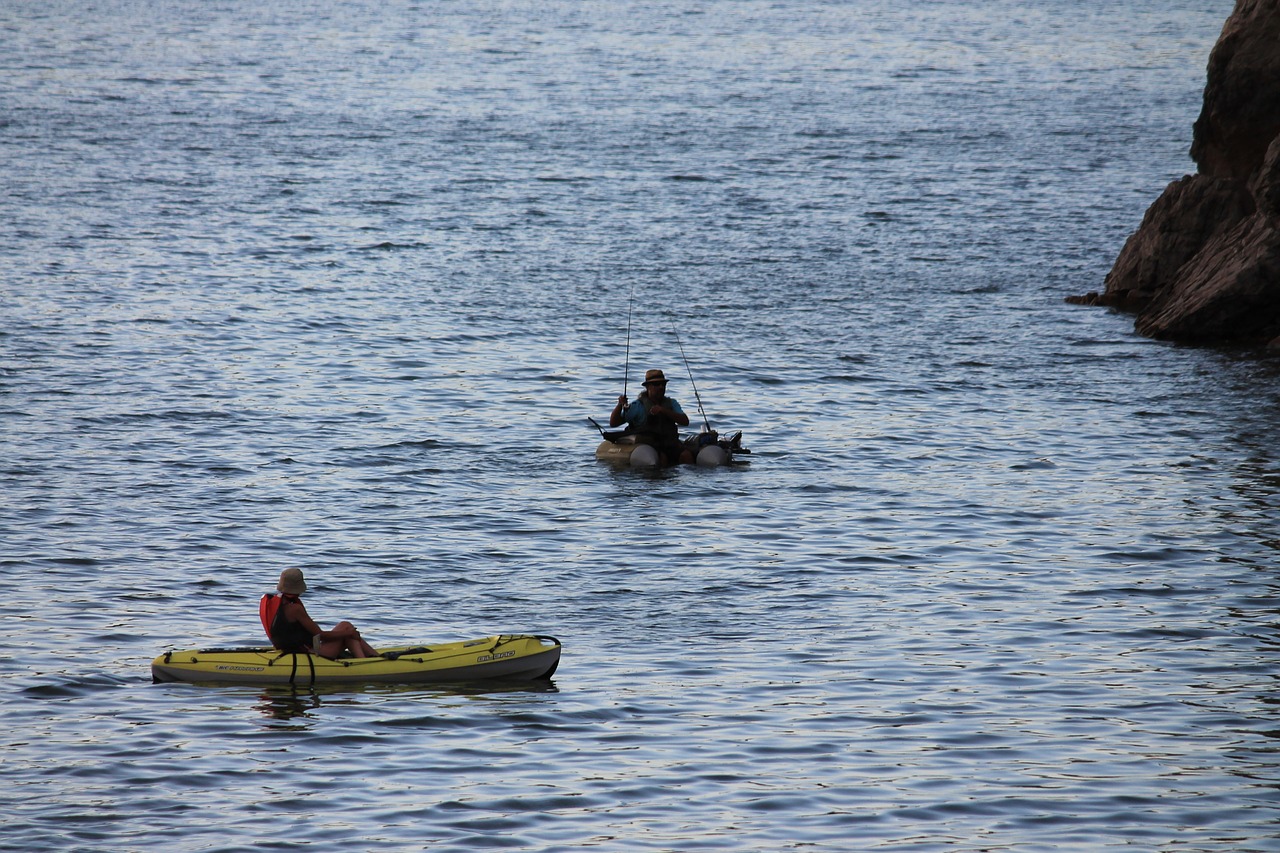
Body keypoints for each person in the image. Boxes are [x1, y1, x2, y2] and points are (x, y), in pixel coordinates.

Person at [266, 568, 378, 659]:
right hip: (307, 653)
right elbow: (321, 636)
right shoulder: (295, 609)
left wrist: (347, 633)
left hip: (293, 649)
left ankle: (372, 656)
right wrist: (348, 634)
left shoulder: (279, 603)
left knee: (345, 626)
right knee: (348, 631)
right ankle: (364, 662)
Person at [609, 368, 693, 465]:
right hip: (650, 446)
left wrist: (663, 410)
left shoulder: (671, 403)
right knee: (662, 458)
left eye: (663, 384)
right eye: (656, 384)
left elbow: (685, 421)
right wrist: (620, 405)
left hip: (670, 444)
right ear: (648, 387)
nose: (661, 387)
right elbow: (613, 423)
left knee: (687, 455)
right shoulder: (638, 406)